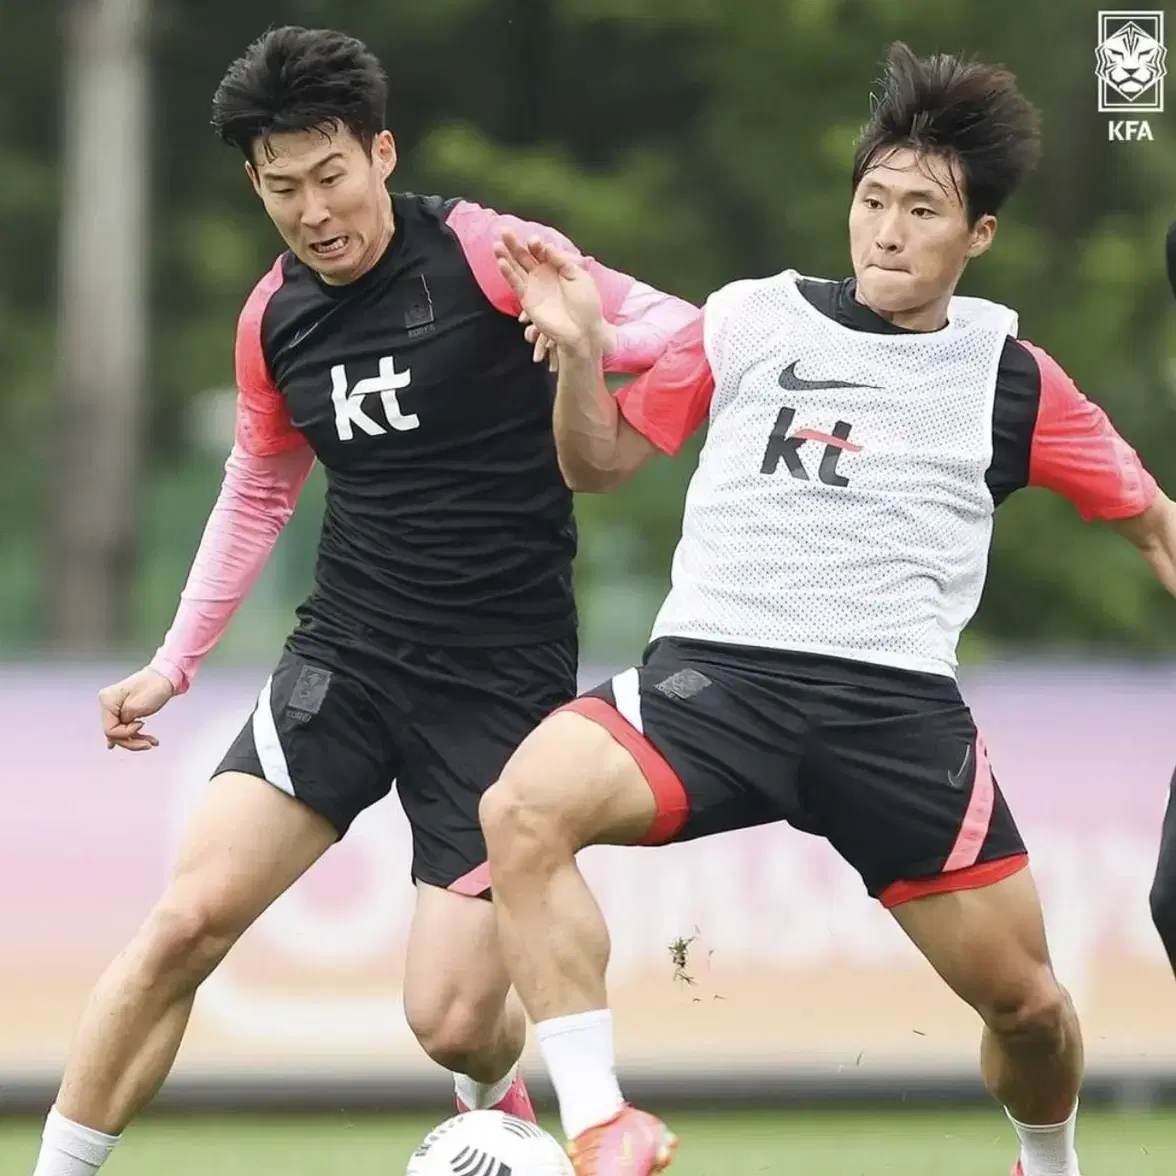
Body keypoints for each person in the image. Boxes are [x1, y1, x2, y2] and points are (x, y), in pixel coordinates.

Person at [479, 41, 1176, 1176]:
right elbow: (597, 465)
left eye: (922, 211)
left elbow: (1154, 522)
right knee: (520, 810)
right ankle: (602, 1124)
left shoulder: (1013, 378)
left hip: (894, 716)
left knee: (1034, 1014)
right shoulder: (750, 320)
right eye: (872, 200)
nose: (888, 231)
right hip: (715, 681)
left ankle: (1046, 1164)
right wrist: (578, 357)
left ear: (979, 236)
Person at [29, 25, 696, 1176]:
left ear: (381, 153)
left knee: (448, 1018)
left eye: (332, 175)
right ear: (255, 183)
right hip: (345, 660)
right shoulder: (272, 319)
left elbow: (680, 332)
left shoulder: (490, 250)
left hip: (498, 682)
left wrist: (589, 340)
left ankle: (496, 1101)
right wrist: (172, 662)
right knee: (185, 923)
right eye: (282, 188)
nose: (313, 210)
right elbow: (255, 491)